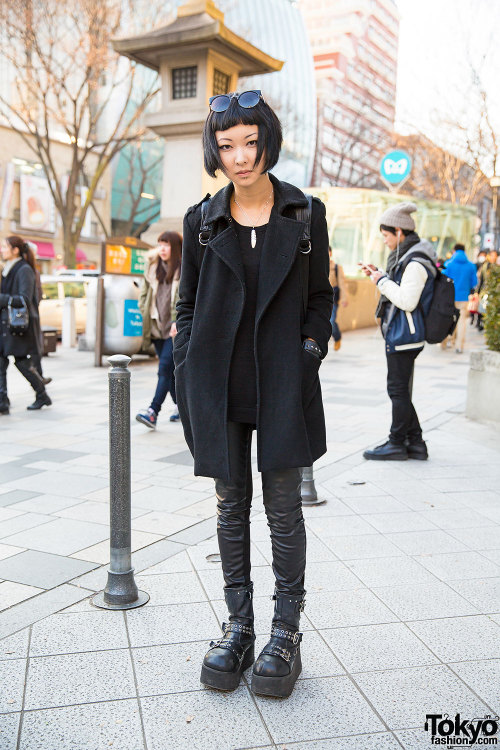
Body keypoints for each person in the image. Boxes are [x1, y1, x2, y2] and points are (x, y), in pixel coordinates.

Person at [174, 90, 332, 698]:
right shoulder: (202, 221)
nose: (240, 157)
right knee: (229, 504)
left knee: (285, 509)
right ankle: (238, 626)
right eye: (226, 145)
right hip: (219, 383)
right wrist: (187, 367)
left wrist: (309, 352)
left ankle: (285, 634)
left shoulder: (304, 213)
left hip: (283, 383)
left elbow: (321, 299)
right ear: (216, 152)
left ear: (267, 139)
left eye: (249, 141)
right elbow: (185, 307)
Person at [360, 202, 436, 461]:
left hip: (406, 336)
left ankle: (396, 443)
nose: (385, 242)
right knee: (399, 389)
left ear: (400, 233)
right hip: (403, 335)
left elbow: (407, 300)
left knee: (397, 390)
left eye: (386, 236)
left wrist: (381, 281)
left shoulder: (415, 261)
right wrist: (381, 275)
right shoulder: (408, 257)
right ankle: (415, 443)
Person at [0, 235, 52, 413]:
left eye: (5, 247)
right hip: (6, 326)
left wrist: (2, 299)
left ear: (15, 250)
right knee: (1, 361)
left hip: (17, 326)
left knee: (21, 361)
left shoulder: (23, 270)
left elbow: (24, 298)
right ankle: (2, 401)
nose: (2, 250)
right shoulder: (8, 269)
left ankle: (42, 394)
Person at [135, 232, 182, 428]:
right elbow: (144, 295)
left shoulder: (183, 269)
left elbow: (185, 299)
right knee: (169, 373)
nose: (162, 248)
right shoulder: (153, 267)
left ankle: (153, 412)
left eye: (167, 244)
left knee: (164, 368)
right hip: (156, 328)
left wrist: (178, 321)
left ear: (176, 247)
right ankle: (183, 407)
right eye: (160, 244)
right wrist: (143, 308)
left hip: (174, 329)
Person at [441, 243, 477, 353]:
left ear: (454, 251)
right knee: (461, 321)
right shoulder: (471, 265)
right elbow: (474, 282)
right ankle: (459, 346)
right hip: (464, 298)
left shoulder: (449, 264)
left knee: (449, 319)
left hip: (450, 297)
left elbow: (442, 279)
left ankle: (445, 341)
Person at [328, 247, 348, 350]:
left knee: (331, 321)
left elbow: (342, 283)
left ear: (331, 253)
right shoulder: (317, 266)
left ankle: (337, 337)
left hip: (333, 299)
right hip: (319, 299)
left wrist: (344, 299)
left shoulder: (336, 267)